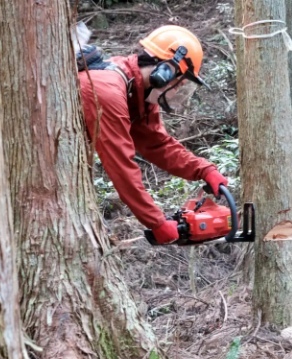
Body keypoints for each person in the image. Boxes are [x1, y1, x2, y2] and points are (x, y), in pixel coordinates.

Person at [78, 25, 228, 244]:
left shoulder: (135, 91)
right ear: (165, 71)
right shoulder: (107, 90)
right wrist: (156, 222)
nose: (178, 91)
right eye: (181, 84)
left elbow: (158, 145)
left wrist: (204, 170)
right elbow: (121, 166)